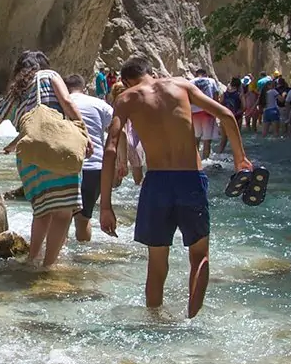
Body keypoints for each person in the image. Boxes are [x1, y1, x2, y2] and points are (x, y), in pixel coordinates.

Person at [99, 57, 252, 318]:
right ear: (152, 72)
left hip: (157, 183)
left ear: (125, 82)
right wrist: (240, 159)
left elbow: (111, 149)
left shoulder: (126, 99)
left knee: (157, 263)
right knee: (200, 256)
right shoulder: (181, 86)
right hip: (190, 179)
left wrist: (105, 206)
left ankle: (155, 321)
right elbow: (226, 115)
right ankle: (191, 318)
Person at [0, 50, 89, 267]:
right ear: (42, 65)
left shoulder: (13, 95)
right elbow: (67, 103)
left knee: (42, 211)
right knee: (63, 212)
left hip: (30, 158)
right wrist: (84, 133)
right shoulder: (50, 76)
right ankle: (49, 266)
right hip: (59, 149)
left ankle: (32, 259)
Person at [64, 74, 113, 243]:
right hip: (95, 167)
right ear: (84, 88)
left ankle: (58, 260)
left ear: (64, 88)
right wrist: (122, 161)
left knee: (61, 218)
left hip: (66, 166)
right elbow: (117, 132)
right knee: (84, 218)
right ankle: (83, 258)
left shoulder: (59, 103)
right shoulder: (101, 105)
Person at [190, 68, 221, 160]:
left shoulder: (191, 82)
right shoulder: (211, 81)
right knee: (207, 140)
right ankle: (205, 160)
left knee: (196, 138)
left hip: (195, 113)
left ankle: (195, 160)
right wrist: (216, 113)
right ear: (205, 74)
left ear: (196, 75)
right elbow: (216, 96)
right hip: (208, 112)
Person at [217, 77, 244, 154]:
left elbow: (220, 104)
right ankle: (238, 154)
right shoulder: (240, 95)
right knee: (236, 137)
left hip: (225, 117)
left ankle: (219, 153)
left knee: (224, 138)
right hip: (236, 117)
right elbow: (244, 107)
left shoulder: (224, 94)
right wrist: (238, 112)